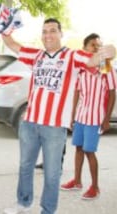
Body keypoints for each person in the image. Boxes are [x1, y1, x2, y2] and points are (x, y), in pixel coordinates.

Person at [1, 18, 116, 214]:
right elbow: (12, 44)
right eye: (45, 31)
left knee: (52, 174)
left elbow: (92, 60)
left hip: (54, 127)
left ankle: (48, 210)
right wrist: (4, 27)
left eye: (53, 30)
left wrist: (109, 50)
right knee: (25, 166)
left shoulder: (72, 56)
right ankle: (23, 203)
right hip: (30, 123)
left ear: (61, 34)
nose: (48, 35)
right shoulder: (36, 55)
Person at [60, 33, 117, 200]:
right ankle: (77, 181)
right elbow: (77, 92)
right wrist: (72, 115)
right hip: (81, 116)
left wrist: (106, 119)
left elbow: (112, 94)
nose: (97, 48)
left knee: (89, 151)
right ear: (85, 48)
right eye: (93, 45)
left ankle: (95, 187)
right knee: (78, 148)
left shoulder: (106, 67)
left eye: (99, 45)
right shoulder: (81, 69)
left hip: (95, 117)